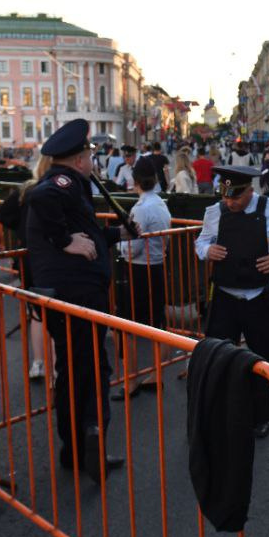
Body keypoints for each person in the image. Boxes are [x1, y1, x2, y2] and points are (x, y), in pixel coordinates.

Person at [25, 119, 125, 478]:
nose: (93, 161)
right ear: (80, 158)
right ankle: (84, 450)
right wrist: (64, 242)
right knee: (84, 373)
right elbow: (41, 197)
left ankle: (80, 449)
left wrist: (115, 235)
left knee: (79, 371)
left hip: (79, 296)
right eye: (89, 155)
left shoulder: (75, 185)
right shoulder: (61, 183)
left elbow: (88, 232)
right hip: (76, 297)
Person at [194, 165, 269, 437]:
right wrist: (208, 249)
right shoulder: (215, 212)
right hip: (224, 297)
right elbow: (200, 243)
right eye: (226, 197)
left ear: (250, 191)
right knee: (218, 357)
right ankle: (218, 412)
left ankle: (259, 416)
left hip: (260, 298)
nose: (230, 202)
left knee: (261, 360)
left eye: (236, 198)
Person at [114, 157, 172, 400]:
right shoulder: (161, 204)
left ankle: (131, 381)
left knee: (127, 327)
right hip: (157, 267)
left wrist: (118, 247)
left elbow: (132, 247)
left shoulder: (140, 209)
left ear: (135, 181)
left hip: (138, 271)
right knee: (157, 323)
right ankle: (155, 375)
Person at [0, 154, 52, 380]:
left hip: (27, 257)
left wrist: (20, 229)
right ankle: (55, 370)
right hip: (47, 258)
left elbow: (2, 214)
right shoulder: (50, 191)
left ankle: (39, 363)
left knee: (36, 312)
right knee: (54, 313)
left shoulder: (26, 190)